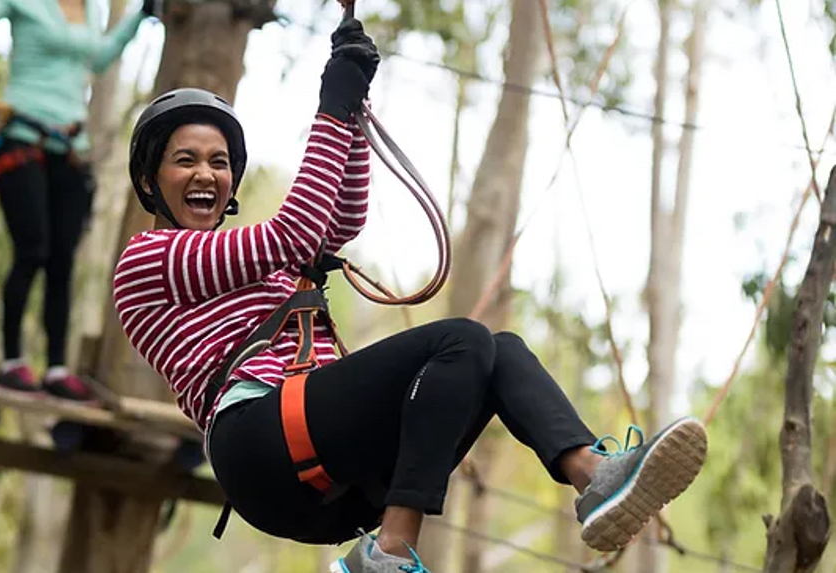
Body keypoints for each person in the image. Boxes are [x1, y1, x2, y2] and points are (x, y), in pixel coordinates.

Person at [112, 16, 708, 573]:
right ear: (150, 179)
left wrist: (352, 110)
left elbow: (341, 218)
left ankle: (590, 474)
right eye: (185, 160)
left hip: (334, 480)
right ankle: (392, 550)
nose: (206, 174)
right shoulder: (147, 260)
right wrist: (330, 105)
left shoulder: (254, 264)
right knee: (461, 342)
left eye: (218, 163)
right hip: (259, 443)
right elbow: (296, 231)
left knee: (500, 350)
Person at [0, 0, 163, 401]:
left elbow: (99, 59)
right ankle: (11, 363)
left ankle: (56, 369)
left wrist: (140, 15)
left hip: (70, 145)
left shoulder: (89, 8)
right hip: (20, 137)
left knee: (62, 260)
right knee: (32, 249)